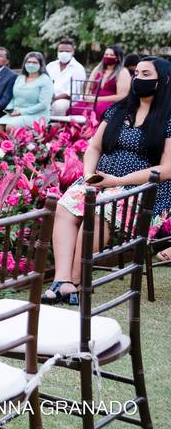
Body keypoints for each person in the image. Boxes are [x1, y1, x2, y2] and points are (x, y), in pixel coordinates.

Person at [44, 56, 171, 305]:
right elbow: (93, 147)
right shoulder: (119, 110)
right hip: (101, 180)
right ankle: (61, 280)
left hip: (144, 189)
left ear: (163, 81)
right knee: (65, 206)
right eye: (136, 74)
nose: (138, 79)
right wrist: (89, 175)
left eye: (146, 75)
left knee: (101, 210)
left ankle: (77, 281)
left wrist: (118, 181)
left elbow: (167, 169)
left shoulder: (168, 119)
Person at [0, 52, 54, 133]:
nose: (31, 65)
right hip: (17, 113)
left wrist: (22, 112)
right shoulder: (20, 78)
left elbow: (43, 104)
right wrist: (10, 109)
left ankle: (15, 145)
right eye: (28, 62)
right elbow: (14, 97)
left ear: (40, 65)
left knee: (10, 127)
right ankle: (3, 145)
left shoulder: (45, 80)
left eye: (34, 62)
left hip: (37, 114)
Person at [72, 46, 131, 121]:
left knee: (96, 112)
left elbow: (122, 96)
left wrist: (97, 99)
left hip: (110, 102)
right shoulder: (98, 69)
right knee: (74, 110)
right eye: (106, 55)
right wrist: (87, 96)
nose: (108, 57)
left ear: (118, 57)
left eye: (111, 55)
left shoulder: (122, 72)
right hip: (92, 99)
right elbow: (89, 86)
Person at [46, 39, 87, 116]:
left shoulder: (78, 68)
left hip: (68, 101)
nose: (64, 53)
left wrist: (54, 98)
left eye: (67, 51)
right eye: (61, 51)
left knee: (59, 106)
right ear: (57, 52)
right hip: (48, 98)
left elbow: (72, 93)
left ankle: (55, 127)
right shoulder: (50, 66)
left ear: (73, 52)